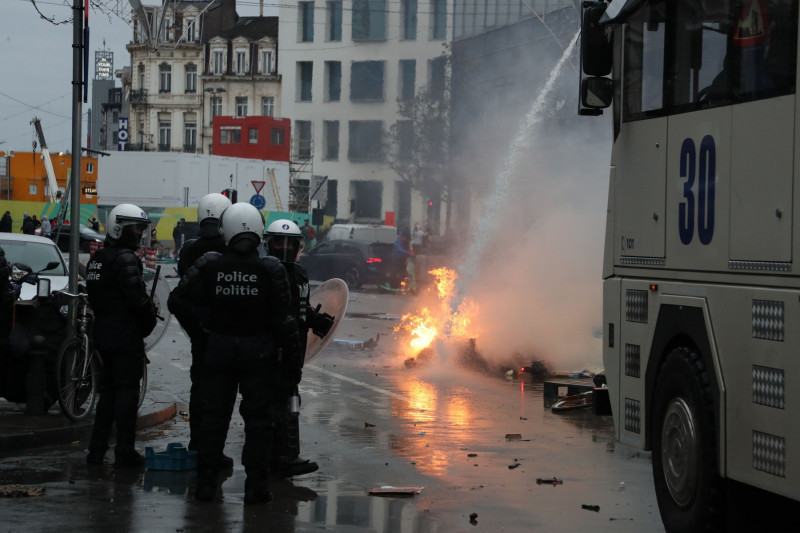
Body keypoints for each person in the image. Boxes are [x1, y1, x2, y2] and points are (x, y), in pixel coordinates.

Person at [168, 203, 300, 504]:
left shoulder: (209, 263)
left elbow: (177, 301)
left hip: (219, 352)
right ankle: (256, 487)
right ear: (257, 232)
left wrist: (201, 334)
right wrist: (290, 362)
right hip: (259, 355)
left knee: (214, 419)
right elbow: (284, 320)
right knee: (258, 423)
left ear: (226, 229)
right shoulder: (271, 269)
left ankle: (205, 485)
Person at [85, 204, 157, 468]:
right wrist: (148, 319)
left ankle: (96, 450)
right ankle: (124, 450)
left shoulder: (98, 259)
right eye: (136, 228)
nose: (139, 233)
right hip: (124, 332)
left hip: (103, 331)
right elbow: (136, 299)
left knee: (108, 392)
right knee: (127, 391)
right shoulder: (125, 258)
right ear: (119, 228)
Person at [264, 219, 334, 477]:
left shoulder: (299, 274)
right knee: (280, 404)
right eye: (279, 242)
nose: (284, 248)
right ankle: (282, 458)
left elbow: (301, 310)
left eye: (289, 243)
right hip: (276, 351)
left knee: (289, 401)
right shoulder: (266, 272)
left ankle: (283, 456)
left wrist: (319, 321)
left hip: (292, 350)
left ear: (297, 246)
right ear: (268, 244)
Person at [176, 193, 233, 468]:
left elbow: (180, 293)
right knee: (221, 395)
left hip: (197, 330)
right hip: (225, 331)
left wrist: (195, 327)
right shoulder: (229, 249)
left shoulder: (188, 250)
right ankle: (214, 451)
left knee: (199, 389)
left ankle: (197, 443)